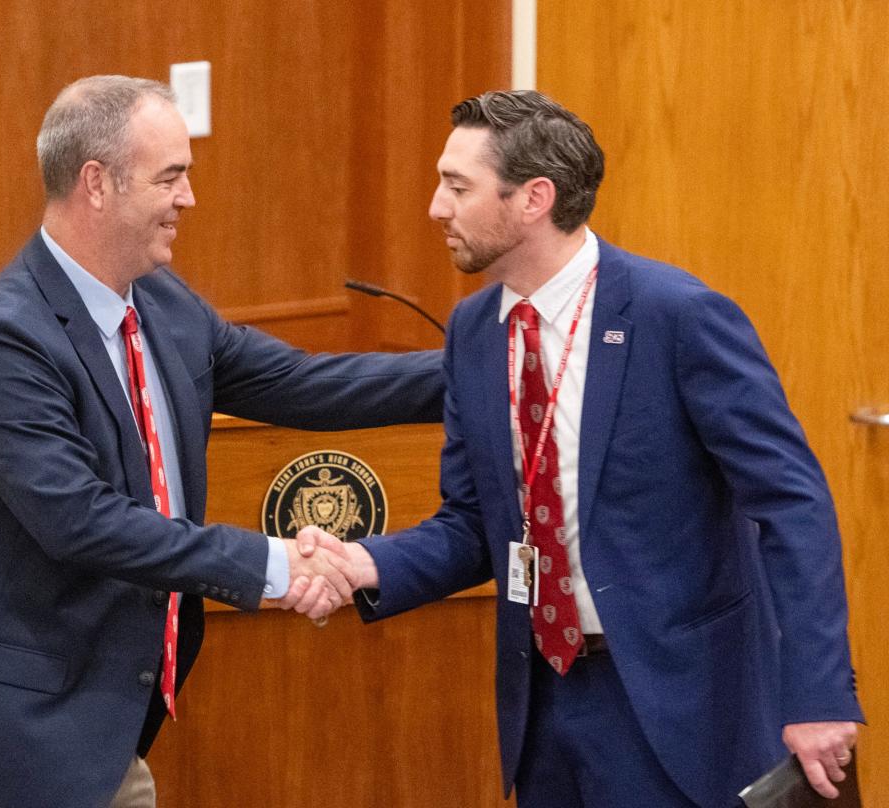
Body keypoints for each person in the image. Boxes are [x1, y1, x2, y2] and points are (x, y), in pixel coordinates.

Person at [290, 90, 863, 807]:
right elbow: (473, 523)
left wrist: (817, 694)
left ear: (533, 198)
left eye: (457, 186)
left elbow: (792, 503)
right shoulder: (474, 332)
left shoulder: (675, 315)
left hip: (677, 700)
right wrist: (366, 562)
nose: (436, 207)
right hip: (545, 706)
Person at [0, 75, 443, 808]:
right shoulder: (5, 340)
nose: (189, 199)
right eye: (171, 177)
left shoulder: (163, 303)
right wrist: (274, 563)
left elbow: (305, 385)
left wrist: (479, 367)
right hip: (16, 740)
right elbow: (84, 522)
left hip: (110, 725)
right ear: (97, 183)